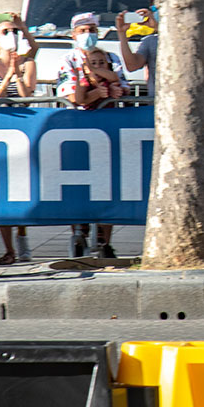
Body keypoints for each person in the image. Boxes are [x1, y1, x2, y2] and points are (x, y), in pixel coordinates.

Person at [56, 13, 129, 261]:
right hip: (77, 129)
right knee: (78, 185)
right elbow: (72, 96)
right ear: (74, 33)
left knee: (109, 184)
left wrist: (105, 84)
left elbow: (123, 86)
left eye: (93, 29)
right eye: (84, 30)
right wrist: (95, 89)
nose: (89, 34)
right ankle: (79, 233)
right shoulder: (68, 59)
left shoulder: (110, 57)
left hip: (109, 127)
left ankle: (104, 241)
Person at [0, 15, 37, 264]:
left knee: (21, 187)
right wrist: (8, 75)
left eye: (14, 31)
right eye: (5, 31)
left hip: (22, 130)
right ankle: (6, 247)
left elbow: (27, 96)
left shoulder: (28, 62)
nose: (11, 34)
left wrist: (17, 74)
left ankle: (22, 240)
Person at [115, 0, 159, 96]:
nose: (159, 12)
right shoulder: (149, 41)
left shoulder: (193, 38)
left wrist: (158, 27)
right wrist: (122, 33)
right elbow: (132, 66)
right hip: (156, 105)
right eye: (155, 9)